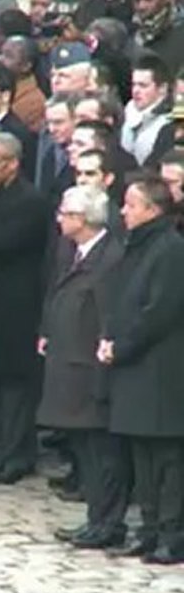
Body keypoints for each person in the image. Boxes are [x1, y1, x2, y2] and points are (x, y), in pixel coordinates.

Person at [40, 185, 128, 550]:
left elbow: (110, 315)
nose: (59, 219)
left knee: (101, 451)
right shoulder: (71, 251)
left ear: (83, 219)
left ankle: (108, 521)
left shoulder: (110, 259)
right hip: (69, 361)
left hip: (91, 369)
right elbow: (56, 293)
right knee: (84, 448)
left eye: (65, 213)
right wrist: (47, 330)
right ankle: (96, 517)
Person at [101, 175, 184, 564]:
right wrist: (108, 337)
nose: (123, 211)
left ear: (152, 209)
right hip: (133, 366)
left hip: (160, 367)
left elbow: (158, 312)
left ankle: (171, 532)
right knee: (141, 455)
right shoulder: (134, 246)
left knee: (166, 457)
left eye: (131, 205)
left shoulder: (170, 250)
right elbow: (120, 300)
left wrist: (122, 346)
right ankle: (149, 529)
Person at [0, 132, 51, 485]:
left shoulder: (31, 201)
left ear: (13, 165)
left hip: (19, 304)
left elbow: (0, 241)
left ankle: (17, 454)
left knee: (16, 387)